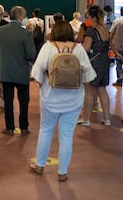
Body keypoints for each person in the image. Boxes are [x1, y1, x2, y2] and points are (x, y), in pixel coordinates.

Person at [30, 21, 96, 182]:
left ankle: (39, 165)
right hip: (74, 99)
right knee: (66, 135)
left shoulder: (48, 47)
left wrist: (44, 85)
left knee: (45, 130)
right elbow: (89, 75)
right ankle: (63, 172)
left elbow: (36, 72)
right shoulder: (78, 49)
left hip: (50, 97)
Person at [0, 6, 36, 136]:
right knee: (24, 101)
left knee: (8, 100)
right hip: (22, 72)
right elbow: (31, 54)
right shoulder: (26, 34)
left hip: (5, 71)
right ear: (20, 17)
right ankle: (24, 127)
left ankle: (9, 127)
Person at [77, 5, 111, 127]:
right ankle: (107, 118)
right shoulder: (105, 28)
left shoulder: (91, 31)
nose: (86, 20)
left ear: (93, 17)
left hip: (93, 62)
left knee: (89, 91)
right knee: (102, 90)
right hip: (105, 61)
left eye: (87, 17)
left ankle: (86, 119)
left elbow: (85, 48)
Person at [110, 6, 123, 86]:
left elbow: (111, 33)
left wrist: (110, 43)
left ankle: (119, 80)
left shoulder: (117, 21)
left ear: (120, 11)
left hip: (118, 45)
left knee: (119, 63)